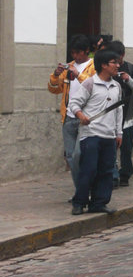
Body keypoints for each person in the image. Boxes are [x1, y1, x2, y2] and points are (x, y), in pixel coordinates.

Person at [69, 49, 123, 215]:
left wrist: (119, 133)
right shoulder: (90, 83)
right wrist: (81, 115)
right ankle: (79, 202)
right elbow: (74, 103)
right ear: (104, 65)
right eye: (114, 62)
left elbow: (119, 110)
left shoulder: (117, 86)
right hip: (91, 134)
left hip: (108, 135)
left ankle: (99, 203)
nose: (118, 65)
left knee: (106, 171)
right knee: (89, 169)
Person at [48, 34, 96, 190]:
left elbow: (95, 88)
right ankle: (80, 190)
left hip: (85, 117)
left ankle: (86, 188)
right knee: (70, 156)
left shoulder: (94, 66)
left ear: (86, 51)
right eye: (73, 52)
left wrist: (79, 75)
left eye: (78, 52)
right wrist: (55, 75)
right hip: (68, 117)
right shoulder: (69, 65)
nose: (75, 56)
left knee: (79, 155)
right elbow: (54, 89)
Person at [106, 41, 133, 187]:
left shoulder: (132, 69)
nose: (116, 63)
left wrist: (128, 79)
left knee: (126, 144)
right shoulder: (108, 70)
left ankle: (126, 172)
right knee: (111, 144)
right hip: (111, 113)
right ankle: (112, 173)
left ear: (123, 55)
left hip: (128, 113)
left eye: (118, 59)